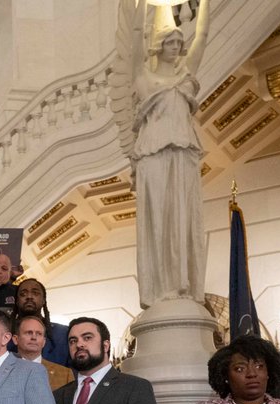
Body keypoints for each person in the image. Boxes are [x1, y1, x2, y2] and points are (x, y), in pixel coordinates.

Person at [126, 0, 210, 307]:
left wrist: (204, 5)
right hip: (152, 153)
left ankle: (183, 285)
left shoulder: (187, 76)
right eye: (170, 42)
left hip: (184, 150)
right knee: (157, 220)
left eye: (179, 42)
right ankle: (157, 290)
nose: (176, 46)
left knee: (183, 217)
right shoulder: (144, 78)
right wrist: (137, 8)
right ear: (159, 46)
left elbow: (201, 37)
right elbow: (135, 42)